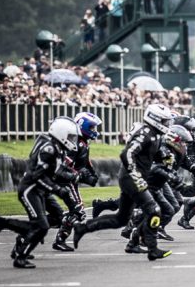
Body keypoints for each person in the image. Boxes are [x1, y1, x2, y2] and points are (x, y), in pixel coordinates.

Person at [72, 104, 175, 260]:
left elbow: (154, 154)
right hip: (130, 178)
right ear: (155, 120)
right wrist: (135, 174)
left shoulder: (155, 135)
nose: (167, 125)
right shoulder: (145, 133)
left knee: (121, 219)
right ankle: (152, 248)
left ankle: (83, 228)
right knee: (154, 210)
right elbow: (127, 154)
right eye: (165, 121)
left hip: (133, 178)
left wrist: (166, 158)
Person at [0, 117, 80, 268]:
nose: (73, 140)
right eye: (71, 136)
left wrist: (73, 175)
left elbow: (57, 170)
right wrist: (57, 189)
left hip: (42, 190)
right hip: (30, 189)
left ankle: (12, 231)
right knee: (41, 226)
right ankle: (20, 255)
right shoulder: (49, 149)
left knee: (58, 217)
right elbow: (37, 176)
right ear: (61, 134)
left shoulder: (57, 148)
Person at [50, 112, 102, 252]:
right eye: (91, 128)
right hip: (65, 180)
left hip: (71, 180)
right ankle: (58, 237)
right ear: (82, 126)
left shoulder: (83, 142)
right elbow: (65, 166)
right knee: (78, 211)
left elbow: (85, 160)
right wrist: (80, 175)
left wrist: (92, 173)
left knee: (78, 211)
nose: (94, 131)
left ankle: (54, 228)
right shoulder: (74, 142)